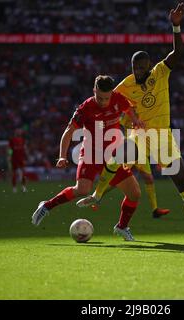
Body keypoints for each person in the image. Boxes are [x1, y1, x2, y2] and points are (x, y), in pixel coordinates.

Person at [76, 3, 184, 243]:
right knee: (119, 153)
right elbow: (104, 101)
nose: (137, 71)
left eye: (140, 67)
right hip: (139, 135)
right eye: (134, 68)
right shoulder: (125, 86)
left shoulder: (160, 72)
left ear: (148, 65)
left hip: (163, 138)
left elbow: (177, 53)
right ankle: (97, 195)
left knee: (181, 180)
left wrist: (176, 27)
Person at [31, 75, 144, 241]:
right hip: (91, 154)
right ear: (94, 91)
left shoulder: (118, 98)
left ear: (112, 93)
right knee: (82, 190)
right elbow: (68, 131)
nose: (104, 102)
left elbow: (128, 109)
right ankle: (46, 206)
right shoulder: (85, 108)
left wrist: (135, 120)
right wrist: (62, 156)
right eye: (99, 97)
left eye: (107, 98)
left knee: (134, 193)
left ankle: (122, 227)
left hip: (112, 156)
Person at [9, 128, 27, 193]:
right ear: (15, 133)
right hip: (14, 159)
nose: (19, 133)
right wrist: (9, 156)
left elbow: (24, 149)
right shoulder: (12, 140)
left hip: (21, 159)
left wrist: (25, 157)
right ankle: (14, 188)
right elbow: (10, 149)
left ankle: (23, 187)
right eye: (17, 132)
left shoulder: (23, 140)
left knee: (23, 173)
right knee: (14, 173)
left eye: (19, 132)